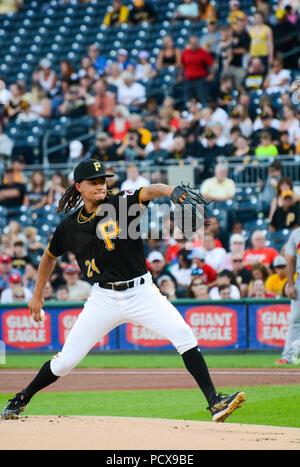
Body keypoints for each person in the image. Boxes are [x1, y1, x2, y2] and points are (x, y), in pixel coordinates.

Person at [1, 158, 245, 421]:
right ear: (79, 186)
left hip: (142, 292)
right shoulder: (69, 227)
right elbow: (49, 257)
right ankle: (21, 398)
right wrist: (37, 294)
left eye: (103, 181)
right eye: (93, 182)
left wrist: (172, 191)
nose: (100, 186)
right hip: (102, 298)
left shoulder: (120, 203)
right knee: (65, 361)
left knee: (184, 335)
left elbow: (150, 190)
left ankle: (215, 403)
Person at [275, 227, 300, 364]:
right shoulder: (297, 234)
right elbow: (290, 260)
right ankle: (288, 357)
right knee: (296, 319)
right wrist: (290, 285)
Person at [180, 35, 216, 104]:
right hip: (189, 79)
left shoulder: (202, 52)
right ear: (189, 43)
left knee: (203, 98)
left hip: (200, 80)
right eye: (192, 43)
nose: (194, 45)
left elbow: (212, 64)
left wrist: (212, 75)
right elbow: (182, 64)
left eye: (195, 43)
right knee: (187, 100)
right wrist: (180, 75)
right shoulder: (185, 52)